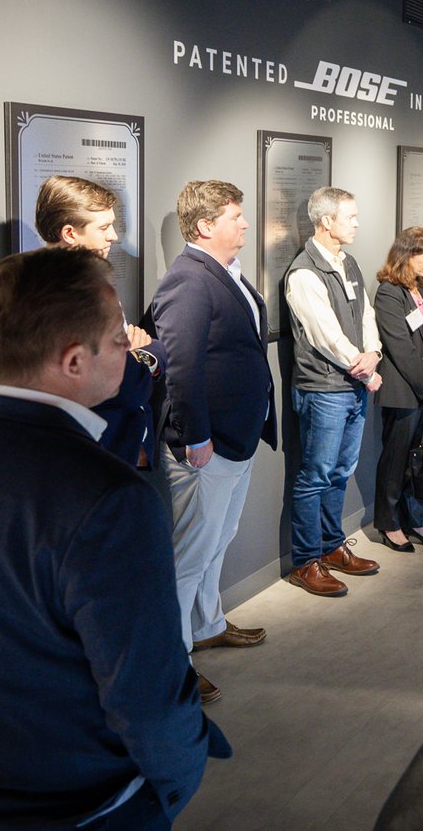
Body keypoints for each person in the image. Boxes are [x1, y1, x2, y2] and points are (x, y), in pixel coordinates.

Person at [0, 246, 230, 829]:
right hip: (80, 804)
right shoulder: (110, 497)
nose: (128, 350)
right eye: (118, 340)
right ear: (74, 360)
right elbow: (148, 696)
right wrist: (167, 792)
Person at [147, 180, 276, 703]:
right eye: (235, 216)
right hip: (207, 444)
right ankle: (173, 663)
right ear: (205, 226)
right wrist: (194, 434)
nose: (245, 224)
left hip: (235, 438)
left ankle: (206, 625)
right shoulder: (188, 280)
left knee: (218, 540)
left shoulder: (223, 273)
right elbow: (181, 367)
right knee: (190, 555)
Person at [35, 176, 168, 504]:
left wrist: (134, 354)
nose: (115, 236)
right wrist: (143, 356)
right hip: (95, 459)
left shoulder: (87, 284)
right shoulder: (69, 296)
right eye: (104, 227)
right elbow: (125, 385)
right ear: (70, 233)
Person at [283, 186, 382, 597]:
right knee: (315, 476)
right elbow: (325, 335)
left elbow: (367, 316)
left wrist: (374, 354)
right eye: (350, 216)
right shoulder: (304, 273)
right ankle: (306, 562)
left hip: (352, 384)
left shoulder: (348, 262)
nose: (357, 223)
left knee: (340, 471)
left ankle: (331, 545)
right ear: (327, 221)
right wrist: (363, 366)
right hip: (324, 389)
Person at [371, 227, 423, 551]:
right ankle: (389, 524)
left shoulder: (422, 288)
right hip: (405, 388)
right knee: (396, 459)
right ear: (407, 255)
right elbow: (401, 348)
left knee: (420, 458)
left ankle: (416, 521)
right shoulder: (389, 292)